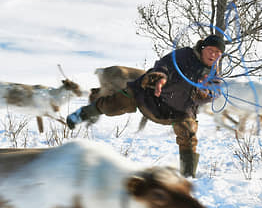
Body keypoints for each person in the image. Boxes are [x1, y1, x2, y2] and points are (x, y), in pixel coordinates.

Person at [66, 34, 226, 178]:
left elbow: (215, 91)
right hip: (149, 95)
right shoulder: (184, 55)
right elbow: (164, 65)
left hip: (178, 109)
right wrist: (159, 78)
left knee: (188, 133)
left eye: (218, 53)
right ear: (203, 47)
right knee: (113, 105)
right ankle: (82, 114)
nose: (213, 55)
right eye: (211, 50)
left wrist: (203, 94)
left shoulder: (214, 73)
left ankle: (188, 176)